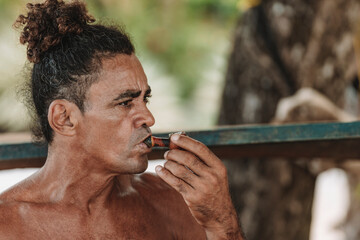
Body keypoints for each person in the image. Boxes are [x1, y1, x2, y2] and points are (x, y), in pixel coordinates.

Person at [0, 0, 245, 239]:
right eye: (125, 103)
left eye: (144, 100)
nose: (149, 117)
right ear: (64, 118)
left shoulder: (169, 202)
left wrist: (223, 224)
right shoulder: (7, 224)